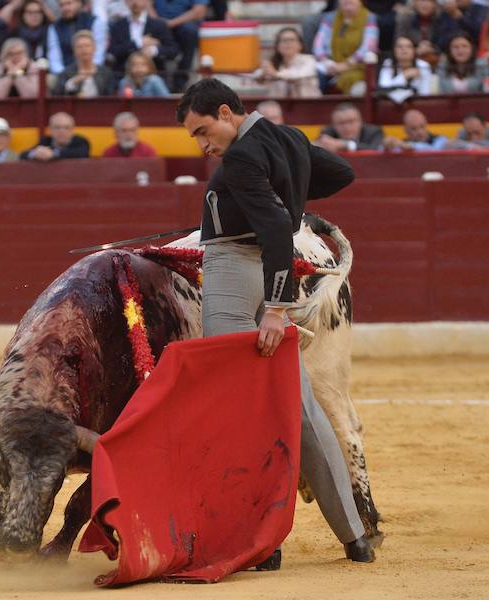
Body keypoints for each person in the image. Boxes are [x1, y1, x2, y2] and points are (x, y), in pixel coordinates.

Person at [174, 77, 375, 568]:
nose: (203, 146)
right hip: (265, 272)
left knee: (235, 412)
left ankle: (260, 541)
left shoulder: (240, 157)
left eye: (203, 131)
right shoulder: (288, 138)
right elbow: (341, 172)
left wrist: (278, 308)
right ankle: (354, 534)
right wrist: (295, 200)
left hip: (237, 279)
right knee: (301, 406)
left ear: (226, 112)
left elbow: (272, 230)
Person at [312, 0, 379, 95]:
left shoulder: (369, 17)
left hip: (356, 67)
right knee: (313, 76)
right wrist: (326, 62)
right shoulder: (330, 17)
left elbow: (368, 46)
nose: (347, 1)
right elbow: (318, 44)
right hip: (330, 65)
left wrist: (346, 65)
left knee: (358, 88)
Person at [108, 0, 178, 76]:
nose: (135, 2)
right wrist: (138, 43)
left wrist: (154, 50)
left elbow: (173, 50)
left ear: (147, 1)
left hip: (153, 74)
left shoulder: (158, 25)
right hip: (124, 74)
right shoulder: (118, 26)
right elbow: (113, 51)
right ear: (126, 1)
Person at [150, 0, 207, 92]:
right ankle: (160, 77)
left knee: (189, 32)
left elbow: (199, 11)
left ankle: (181, 80)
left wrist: (171, 23)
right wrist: (158, 23)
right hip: (158, 24)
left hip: (184, 24)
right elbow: (146, 4)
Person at [252, 26, 320, 98]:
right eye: (284, 40)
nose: (288, 43)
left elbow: (299, 75)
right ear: (277, 46)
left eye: (292, 40)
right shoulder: (274, 63)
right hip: (280, 106)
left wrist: (276, 74)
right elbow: (256, 75)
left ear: (300, 45)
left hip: (307, 105)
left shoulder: (309, 60)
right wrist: (262, 74)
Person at [46, 0, 107, 75]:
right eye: (62, 5)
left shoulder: (95, 22)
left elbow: (99, 54)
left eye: (69, 3)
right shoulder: (54, 28)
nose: (65, 8)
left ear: (79, 3)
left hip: (94, 72)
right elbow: (54, 59)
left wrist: (88, 71)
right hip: (65, 74)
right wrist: (65, 75)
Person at [52, 29, 115, 96]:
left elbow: (111, 98)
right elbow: (58, 96)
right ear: (74, 51)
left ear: (94, 48)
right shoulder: (65, 74)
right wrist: (73, 82)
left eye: (87, 46)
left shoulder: (106, 73)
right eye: (80, 47)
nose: (84, 49)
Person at [394, 0, 452, 64]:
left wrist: (432, 48)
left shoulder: (441, 20)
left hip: (436, 58)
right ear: (415, 3)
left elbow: (445, 42)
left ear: (435, 4)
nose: (425, 4)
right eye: (422, 0)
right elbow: (399, 41)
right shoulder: (405, 19)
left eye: (429, 1)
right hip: (411, 58)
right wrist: (415, 49)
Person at [20, 111, 90, 161]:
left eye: (66, 127)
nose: (62, 131)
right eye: (57, 127)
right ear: (50, 130)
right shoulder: (46, 141)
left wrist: (54, 154)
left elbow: (80, 153)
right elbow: (23, 155)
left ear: (72, 130)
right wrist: (35, 154)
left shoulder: (81, 141)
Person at [316, 102, 384, 152]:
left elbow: (374, 149)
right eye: (341, 123)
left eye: (351, 121)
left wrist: (346, 145)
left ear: (361, 121)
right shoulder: (327, 132)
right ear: (333, 125)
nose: (347, 127)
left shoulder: (374, 132)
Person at [383, 108, 449, 151]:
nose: (419, 132)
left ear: (427, 125)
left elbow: (434, 151)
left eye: (422, 126)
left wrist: (410, 146)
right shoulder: (401, 145)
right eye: (413, 129)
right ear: (406, 130)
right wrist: (386, 146)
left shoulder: (441, 140)